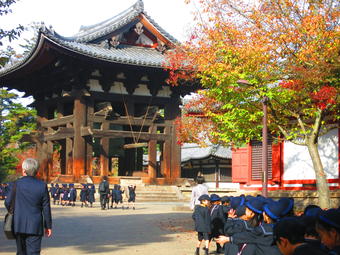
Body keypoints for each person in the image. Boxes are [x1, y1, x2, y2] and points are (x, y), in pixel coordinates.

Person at [5, 158, 52, 255]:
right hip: (35, 224)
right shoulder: (42, 185)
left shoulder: (16, 184)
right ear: (36, 171)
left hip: (18, 222)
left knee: (21, 251)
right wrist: (48, 225)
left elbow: (8, 202)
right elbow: (46, 207)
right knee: (34, 252)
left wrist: (15, 211)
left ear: (23, 170)